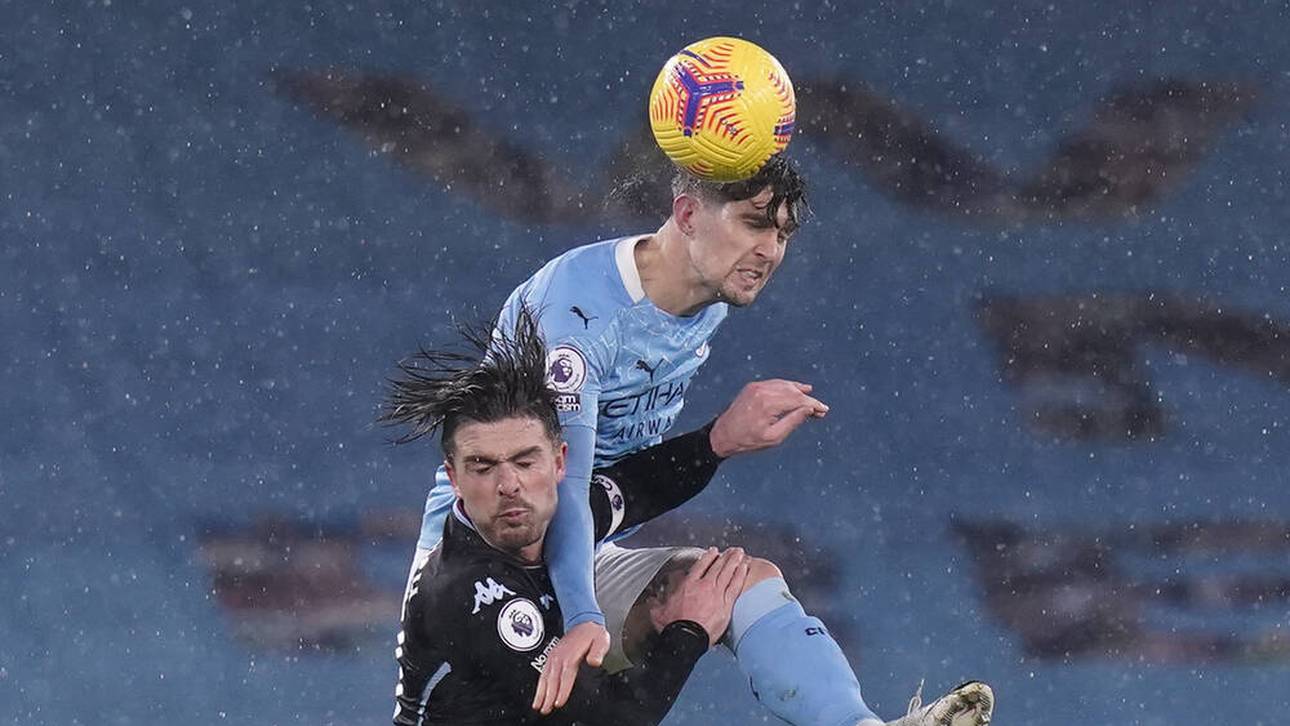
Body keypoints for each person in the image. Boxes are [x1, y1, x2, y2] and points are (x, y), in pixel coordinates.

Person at [388, 311, 995, 726]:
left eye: (525, 460)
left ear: (560, 461)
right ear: (453, 475)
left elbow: (634, 489)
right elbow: (615, 718)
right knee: (700, 606)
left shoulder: (553, 517)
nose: (508, 484)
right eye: (483, 466)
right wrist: (687, 632)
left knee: (737, 581)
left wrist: (719, 438)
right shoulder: (468, 593)